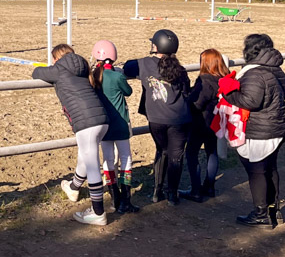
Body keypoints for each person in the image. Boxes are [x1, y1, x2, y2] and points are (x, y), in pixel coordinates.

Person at [218, 33, 285, 227]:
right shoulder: (276, 70)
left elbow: (249, 101)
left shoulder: (254, 73)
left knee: (257, 170)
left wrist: (228, 92)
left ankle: (261, 214)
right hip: (278, 124)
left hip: (262, 129)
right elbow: (284, 92)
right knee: (270, 167)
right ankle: (274, 210)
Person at [32, 43, 111, 225]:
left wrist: (51, 67)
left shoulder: (59, 69)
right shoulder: (83, 67)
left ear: (57, 58)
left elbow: (37, 73)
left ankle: (98, 212)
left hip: (85, 122)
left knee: (92, 165)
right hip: (101, 119)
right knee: (85, 156)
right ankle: (73, 187)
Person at [123, 29, 191, 206]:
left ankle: (157, 191)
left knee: (162, 151)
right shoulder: (180, 68)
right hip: (180, 119)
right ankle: (172, 195)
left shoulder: (145, 64)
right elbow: (186, 91)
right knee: (176, 156)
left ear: (155, 46)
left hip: (157, 119)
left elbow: (126, 67)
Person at [94, 40, 138, 214]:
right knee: (126, 158)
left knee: (108, 160)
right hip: (120, 123)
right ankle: (126, 200)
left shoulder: (94, 76)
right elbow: (128, 92)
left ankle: (114, 198)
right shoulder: (117, 76)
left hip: (103, 123)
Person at [184, 49, 224, 200]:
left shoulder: (205, 80)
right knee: (212, 152)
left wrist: (188, 97)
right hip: (216, 121)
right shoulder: (223, 79)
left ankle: (195, 190)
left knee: (192, 153)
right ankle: (210, 186)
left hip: (201, 122)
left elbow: (198, 103)